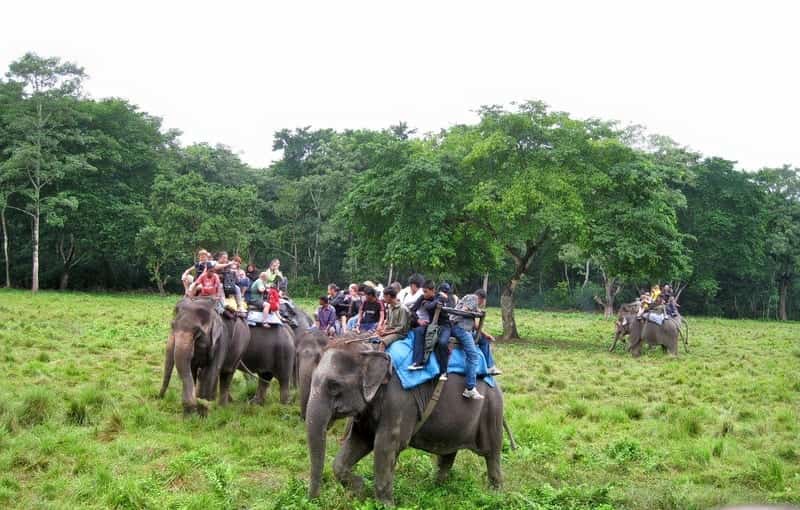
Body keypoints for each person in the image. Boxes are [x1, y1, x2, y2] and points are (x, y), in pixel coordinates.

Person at [446, 288, 484, 399]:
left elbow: (474, 322)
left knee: (482, 340)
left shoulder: (469, 299)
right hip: (461, 328)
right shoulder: (473, 298)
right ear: (481, 298)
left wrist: (484, 334)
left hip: (461, 327)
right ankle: (470, 388)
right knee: (473, 355)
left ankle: (490, 367)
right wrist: (476, 311)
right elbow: (464, 310)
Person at [473, 289, 501, 376]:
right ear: (480, 298)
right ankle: (490, 366)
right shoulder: (472, 305)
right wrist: (486, 335)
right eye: (482, 301)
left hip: (461, 329)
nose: (482, 303)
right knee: (484, 340)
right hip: (464, 332)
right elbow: (475, 325)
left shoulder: (468, 302)